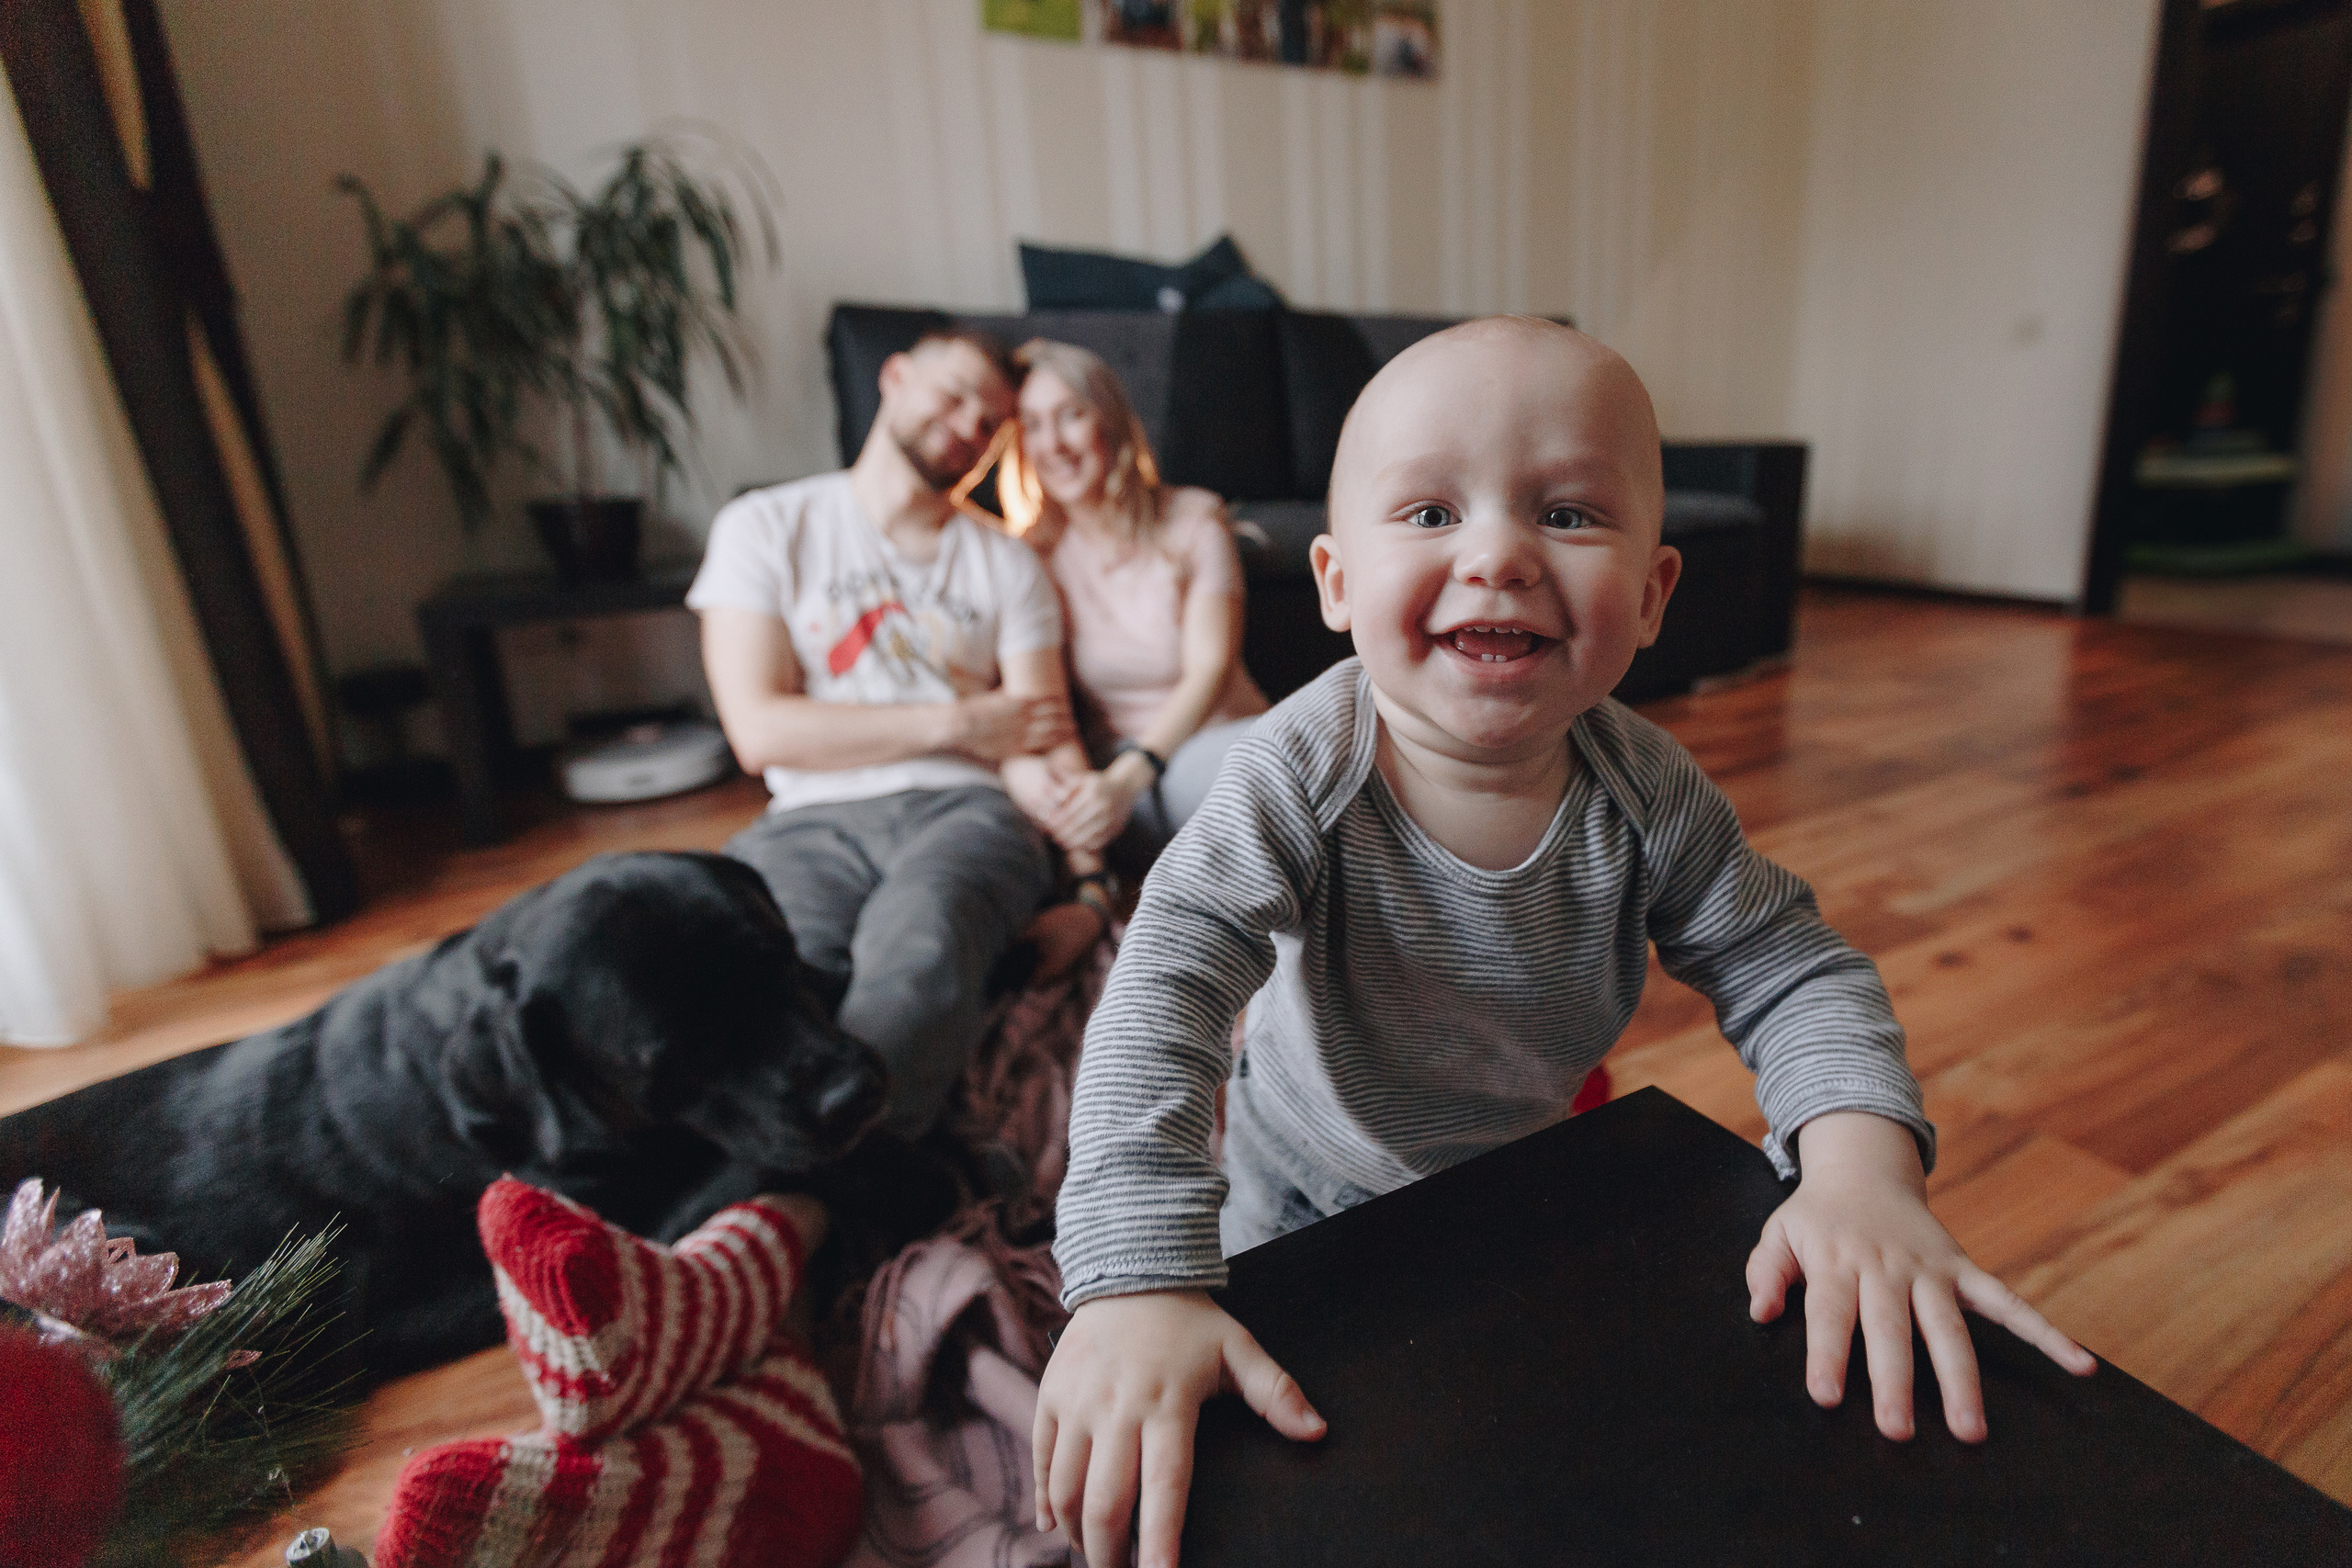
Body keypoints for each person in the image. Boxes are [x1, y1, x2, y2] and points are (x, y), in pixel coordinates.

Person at [1031, 318, 2098, 1568]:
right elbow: (1165, 985)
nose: (1497, 553)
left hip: (1526, 1186)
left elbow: (1791, 964)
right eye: (1429, 512)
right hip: (1303, 1190)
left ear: (1651, 596)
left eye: (1572, 513)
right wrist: (1140, 1279)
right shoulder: (1292, 774)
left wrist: (1859, 1169)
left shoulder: (1650, 794)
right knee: (1272, 1473)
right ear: (1332, 583)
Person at [688, 327, 1087, 1140]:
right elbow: (760, 730)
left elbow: (1042, 736)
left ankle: (809, 1204)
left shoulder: (1008, 566)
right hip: (808, 818)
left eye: (990, 423)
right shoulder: (766, 526)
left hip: (967, 810)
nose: (969, 427)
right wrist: (960, 719)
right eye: (954, 394)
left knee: (923, 943)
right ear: (895, 375)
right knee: (774, 972)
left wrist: (1089, 882)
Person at [997, 338, 1268, 869]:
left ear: (1111, 421)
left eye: (1070, 416)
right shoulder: (1033, 557)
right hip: (1123, 776)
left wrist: (1128, 779)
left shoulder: (1194, 520)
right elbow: (1023, 700)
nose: (1053, 444)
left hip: (1219, 742)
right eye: (1032, 425)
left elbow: (1210, 669)